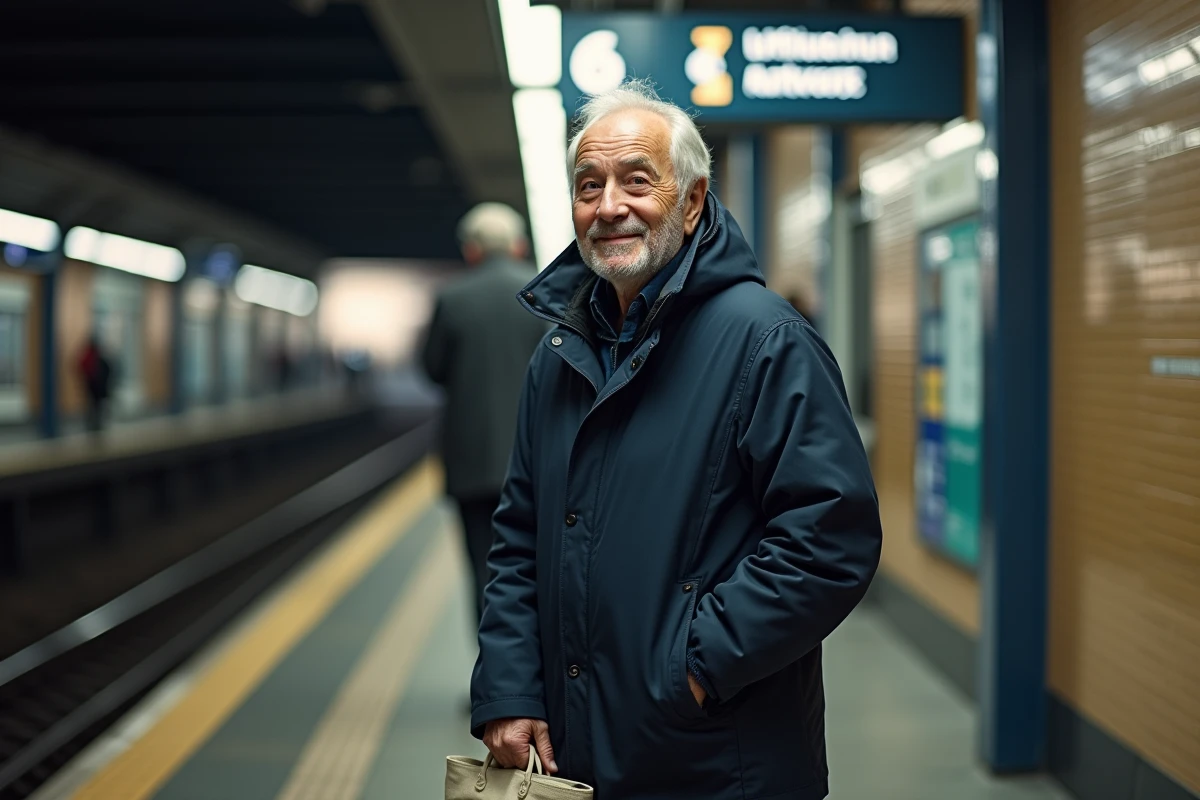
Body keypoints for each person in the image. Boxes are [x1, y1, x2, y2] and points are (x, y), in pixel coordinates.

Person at [470, 80, 883, 800]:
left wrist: (691, 668)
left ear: (692, 202)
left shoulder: (766, 341)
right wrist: (509, 685)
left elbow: (828, 539)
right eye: (589, 185)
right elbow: (519, 537)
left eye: (637, 181)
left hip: (719, 759)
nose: (609, 207)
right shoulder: (559, 356)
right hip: (576, 751)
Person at [421, 202, 550, 635]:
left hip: (471, 461)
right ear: (519, 246)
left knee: (482, 565)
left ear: (472, 250)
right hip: (534, 460)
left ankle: (491, 666)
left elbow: (433, 369)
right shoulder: (543, 294)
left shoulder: (451, 298)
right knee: (535, 564)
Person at [77, 335, 112, 433]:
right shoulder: (97, 357)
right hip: (96, 386)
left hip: (91, 385)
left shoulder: (89, 356)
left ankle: (92, 423)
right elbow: (107, 370)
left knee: (92, 405)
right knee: (97, 405)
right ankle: (96, 423)